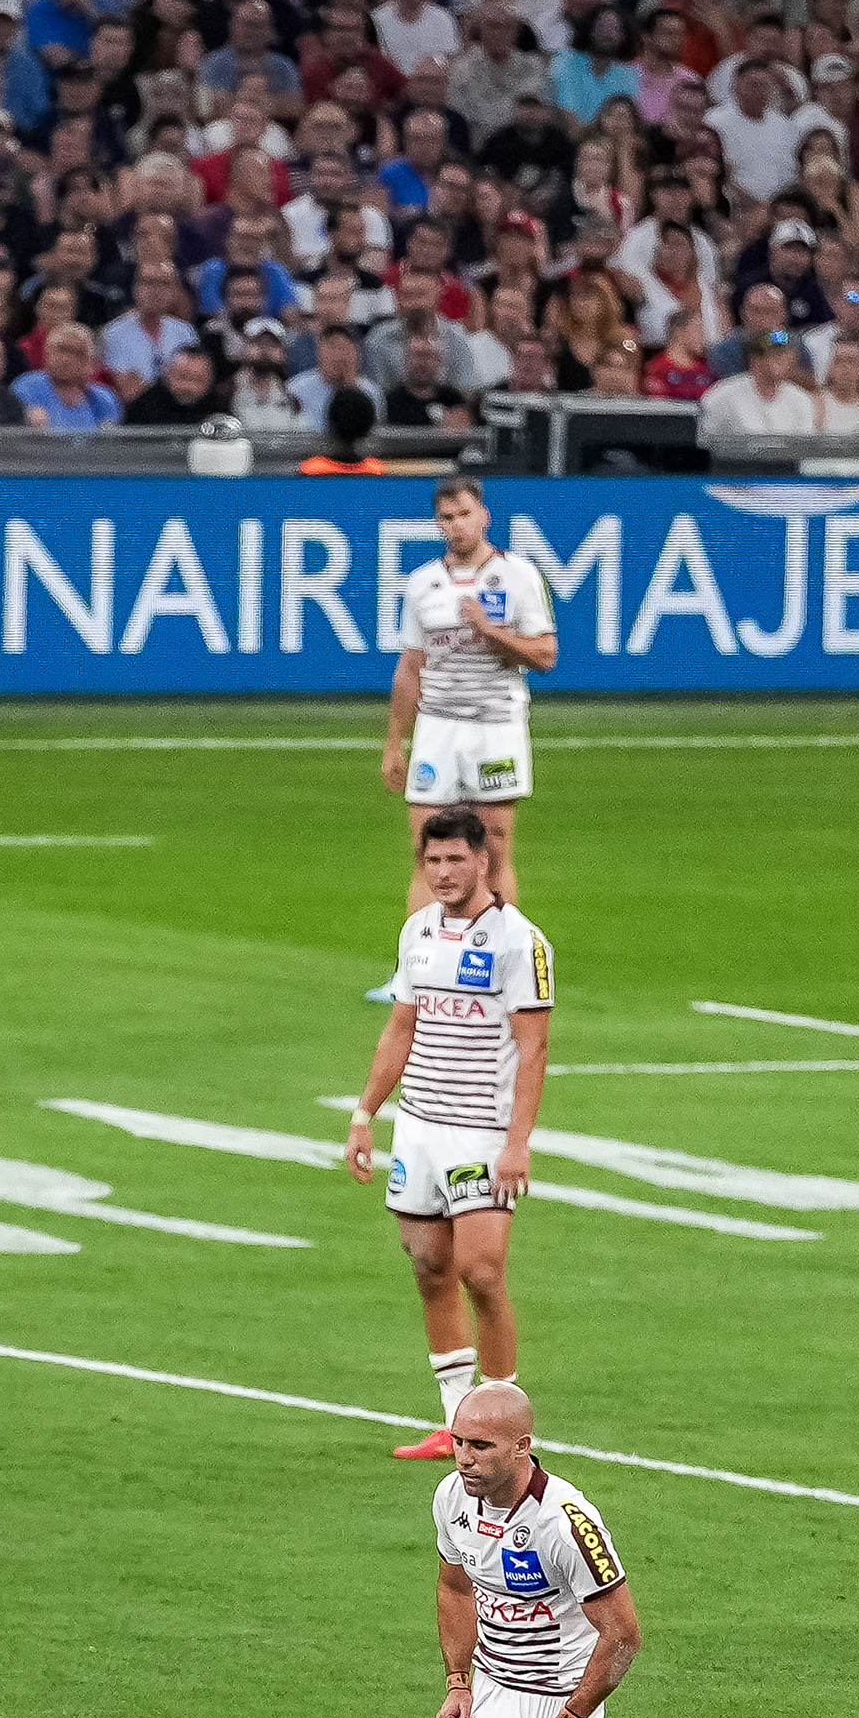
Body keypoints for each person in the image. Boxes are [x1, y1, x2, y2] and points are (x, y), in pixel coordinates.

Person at [347, 814, 554, 1461]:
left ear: (483, 861)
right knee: (430, 1267)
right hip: (418, 1129)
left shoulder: (520, 943)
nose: (442, 873)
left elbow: (534, 1047)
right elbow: (400, 1028)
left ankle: (506, 1423)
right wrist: (365, 1113)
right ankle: (455, 1421)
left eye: (455, 860)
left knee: (482, 1272)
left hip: (481, 1133)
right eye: (432, 861)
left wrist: (517, 1142)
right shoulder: (418, 931)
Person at [416, 1380, 637, 1718]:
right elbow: (455, 1589)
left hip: (561, 1699)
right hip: (492, 1695)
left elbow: (622, 1635)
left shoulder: (565, 1523)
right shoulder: (452, 1497)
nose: (463, 1458)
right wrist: (458, 1683)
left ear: (521, 1446)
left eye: (480, 1446)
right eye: (458, 1442)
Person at [378, 474, 556, 912]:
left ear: (484, 516)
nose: (456, 525)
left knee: (494, 846)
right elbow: (411, 667)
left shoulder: (518, 576)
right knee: (427, 850)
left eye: (464, 514)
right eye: (446, 517)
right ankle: (417, 954)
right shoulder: (422, 583)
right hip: (437, 727)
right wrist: (395, 741)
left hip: (496, 725)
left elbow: (545, 655)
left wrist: (490, 631)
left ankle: (501, 947)